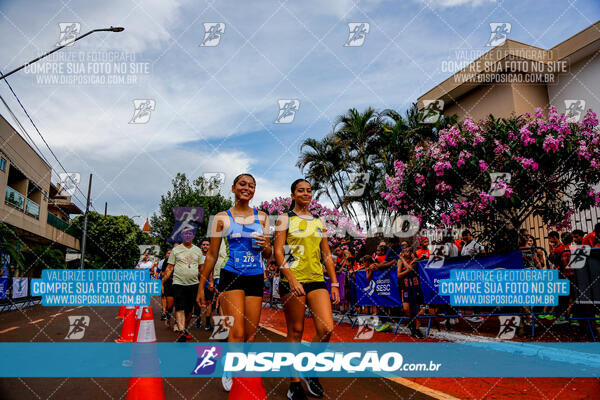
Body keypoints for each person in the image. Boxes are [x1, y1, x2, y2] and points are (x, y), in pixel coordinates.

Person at [274, 178, 339, 400]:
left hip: (316, 279)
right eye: (300, 190)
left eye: (309, 190)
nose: (305, 193)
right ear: (292, 195)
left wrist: (334, 282)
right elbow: (278, 253)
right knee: (296, 331)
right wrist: (290, 278)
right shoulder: (285, 218)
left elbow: (326, 253)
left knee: (327, 328)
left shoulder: (319, 221)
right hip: (293, 279)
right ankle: (294, 385)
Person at [198, 173, 271, 343]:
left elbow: (268, 255)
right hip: (231, 274)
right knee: (236, 334)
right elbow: (212, 255)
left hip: (255, 276)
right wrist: (202, 286)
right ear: (233, 188)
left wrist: (266, 246)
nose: (247, 188)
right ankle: (230, 369)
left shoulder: (262, 217)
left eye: (251, 186)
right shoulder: (221, 217)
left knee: (250, 335)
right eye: (242, 184)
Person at [163, 231, 204, 342]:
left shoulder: (198, 250)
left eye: (190, 234)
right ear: (182, 237)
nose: (187, 236)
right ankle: (181, 332)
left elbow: (201, 269)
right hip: (178, 283)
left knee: (189, 310)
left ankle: (184, 329)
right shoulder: (176, 250)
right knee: (180, 307)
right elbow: (170, 268)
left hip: (193, 283)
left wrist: (205, 282)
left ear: (193, 236)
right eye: (185, 235)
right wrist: (162, 281)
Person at [397, 246, 424, 338]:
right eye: (404, 251)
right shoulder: (400, 262)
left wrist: (404, 262)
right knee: (406, 308)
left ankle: (417, 329)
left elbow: (410, 268)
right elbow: (398, 275)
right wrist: (407, 270)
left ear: (411, 252)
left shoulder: (415, 260)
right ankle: (412, 324)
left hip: (415, 286)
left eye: (407, 250)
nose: (405, 252)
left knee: (416, 308)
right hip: (405, 287)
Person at [196, 239, 214, 330]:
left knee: (209, 302)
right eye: (203, 244)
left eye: (207, 244)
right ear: (201, 246)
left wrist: (211, 282)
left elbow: (212, 270)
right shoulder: (197, 256)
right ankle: (198, 321)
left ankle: (207, 323)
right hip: (197, 283)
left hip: (208, 283)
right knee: (198, 303)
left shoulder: (212, 256)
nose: (205, 246)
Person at [158, 249, 172, 321]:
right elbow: (160, 272)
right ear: (166, 254)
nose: (169, 255)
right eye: (168, 253)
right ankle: (164, 312)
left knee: (171, 301)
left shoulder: (176, 261)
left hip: (175, 283)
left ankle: (168, 312)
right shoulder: (163, 262)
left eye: (171, 253)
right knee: (163, 296)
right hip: (165, 281)